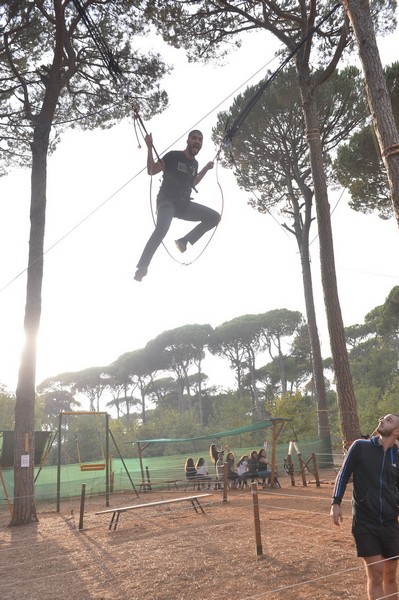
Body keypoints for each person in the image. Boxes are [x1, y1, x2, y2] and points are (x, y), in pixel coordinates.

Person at [134, 130, 221, 282]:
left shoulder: (195, 164)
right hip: (167, 202)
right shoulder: (173, 156)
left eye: (200, 140)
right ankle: (143, 266)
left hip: (183, 205)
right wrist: (149, 147)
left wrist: (206, 169)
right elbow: (151, 170)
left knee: (214, 217)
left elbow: (193, 182)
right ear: (188, 141)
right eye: (194, 138)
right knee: (162, 228)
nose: (197, 142)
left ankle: (184, 241)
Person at [331, 414, 399, 600]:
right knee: (376, 573)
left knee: (390, 576)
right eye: (383, 418)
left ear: (396, 431)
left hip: (390, 523)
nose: (382, 420)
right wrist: (336, 502)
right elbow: (343, 475)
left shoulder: (398, 456)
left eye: (389, 420)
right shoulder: (360, 447)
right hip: (365, 522)